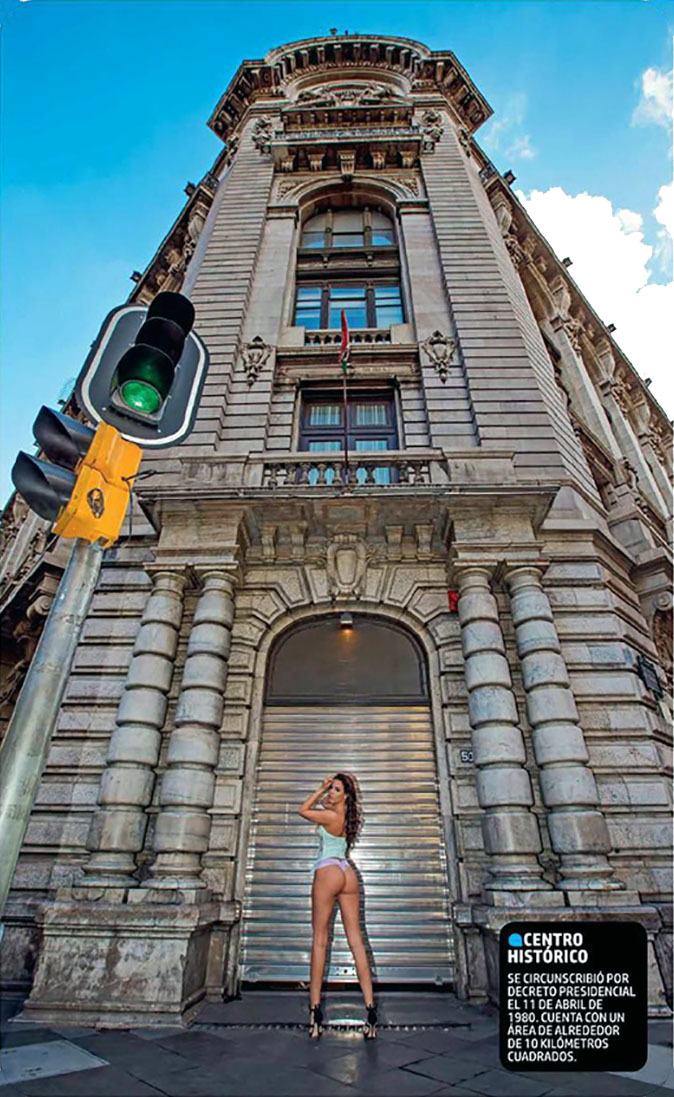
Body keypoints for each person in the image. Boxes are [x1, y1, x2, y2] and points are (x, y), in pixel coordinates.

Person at [298, 772, 377, 1040]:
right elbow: (326, 807)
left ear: (346, 795)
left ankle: (315, 1014)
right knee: (357, 942)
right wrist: (330, 798)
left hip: (328, 872)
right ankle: (370, 1012)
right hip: (347, 872)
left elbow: (303, 810)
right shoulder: (345, 817)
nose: (331, 792)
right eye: (331, 788)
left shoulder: (329, 816)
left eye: (336, 789)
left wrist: (320, 789)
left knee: (320, 941)